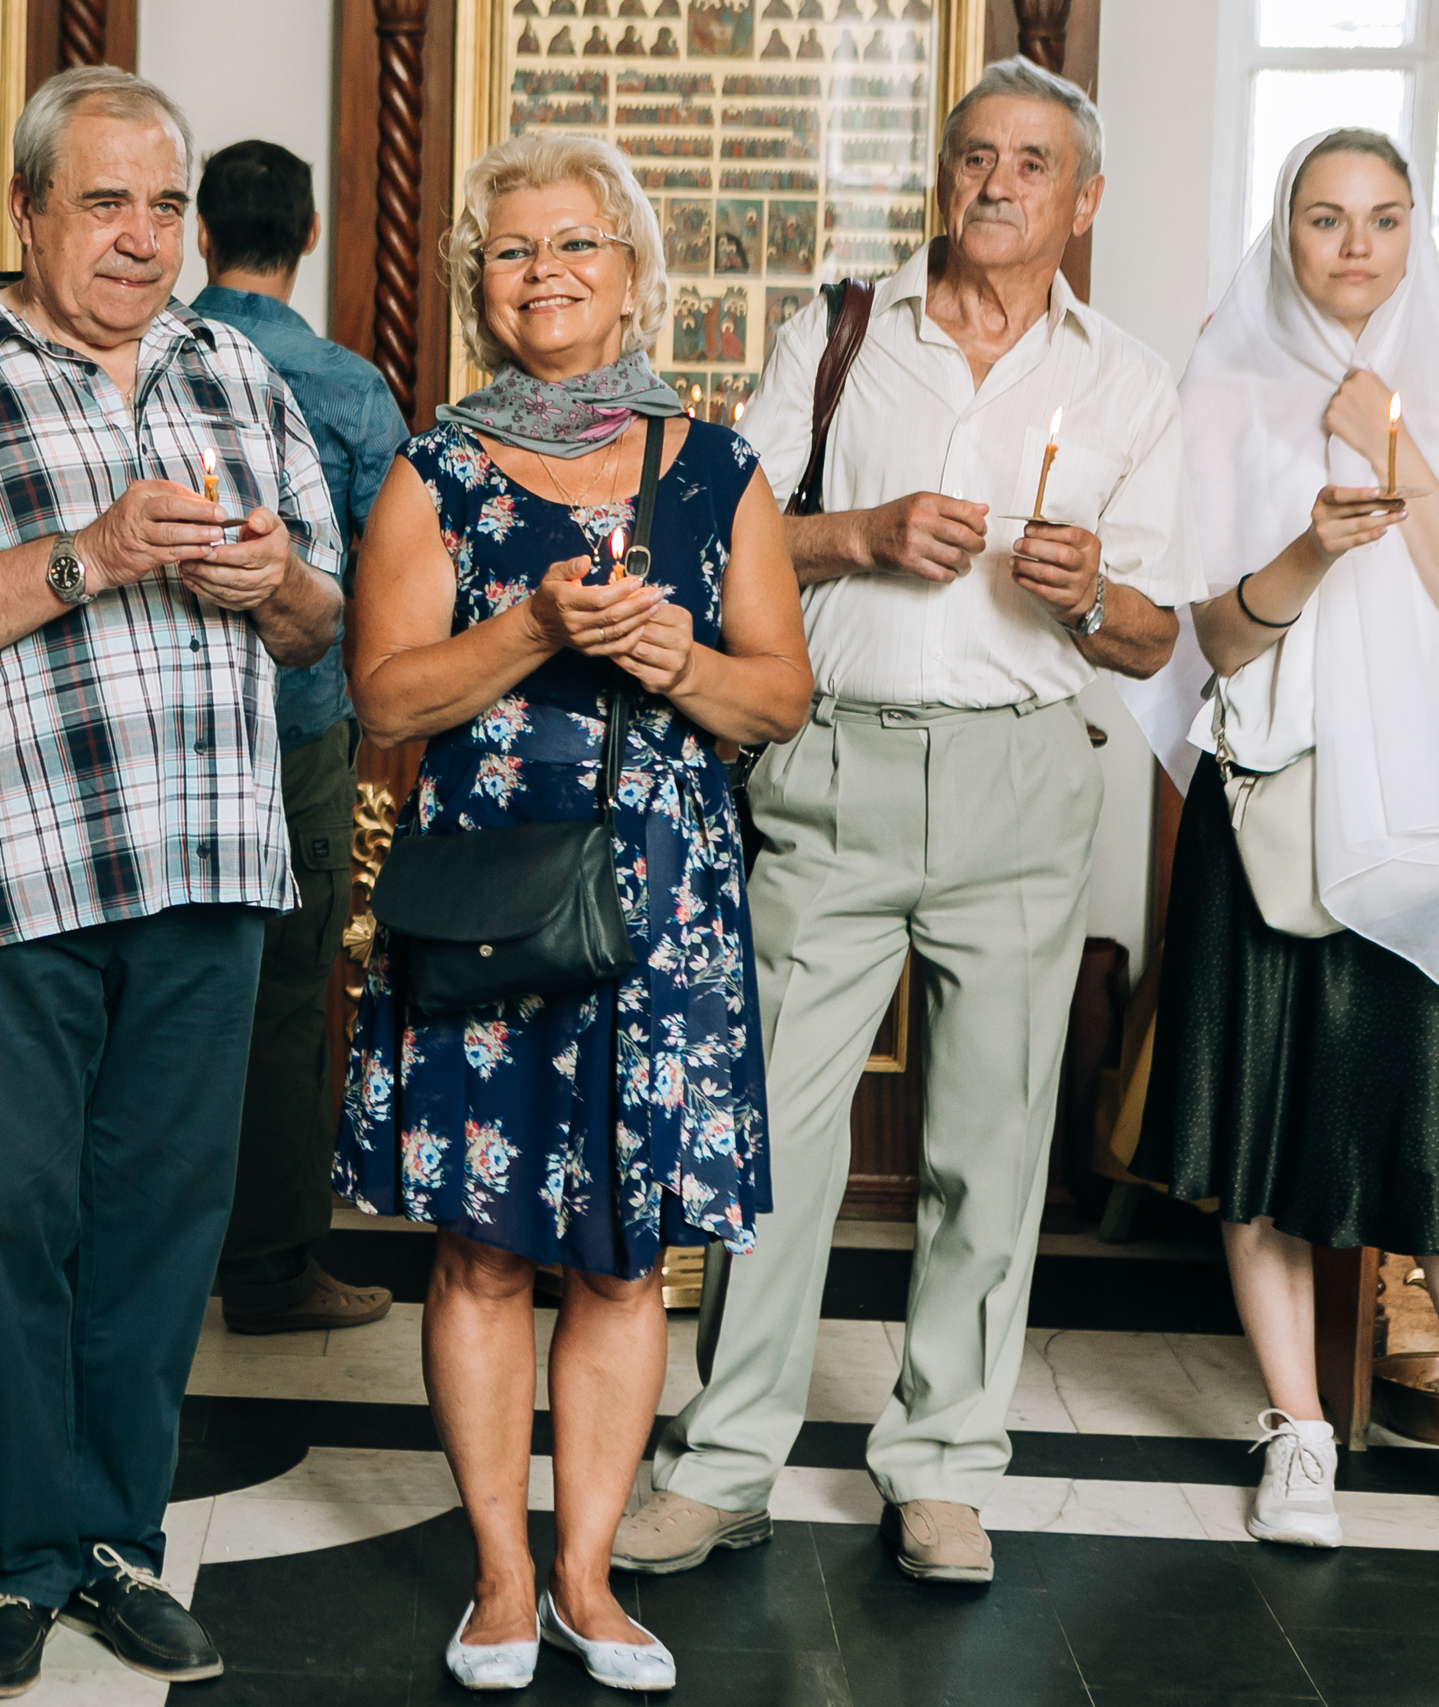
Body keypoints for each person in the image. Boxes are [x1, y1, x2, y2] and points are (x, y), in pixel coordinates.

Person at [624, 57, 1200, 1586]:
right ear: (941, 180)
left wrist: (1092, 597)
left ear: (1083, 201)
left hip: (1023, 773)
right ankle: (725, 1460)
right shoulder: (841, 331)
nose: (997, 184)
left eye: (1031, 163)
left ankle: (943, 1466)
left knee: (988, 1148)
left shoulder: (1131, 378)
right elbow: (722, 540)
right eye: (974, 158)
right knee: (780, 1137)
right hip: (833, 768)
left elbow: (1156, 638)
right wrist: (861, 535)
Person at [0, 66, 343, 1700]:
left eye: (166, 204)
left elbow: (320, 613)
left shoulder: (232, 372)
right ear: (30, 212)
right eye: (104, 201)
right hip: (4, 881)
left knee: (157, 1234)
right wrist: (86, 556)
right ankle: (15, 1560)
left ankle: (114, 1542)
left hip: (202, 867)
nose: (140, 235)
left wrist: (275, 584)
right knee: (6, 1227)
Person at [341, 131, 809, 1693]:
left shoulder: (716, 468)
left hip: (663, 915)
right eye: (513, 249)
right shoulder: (436, 468)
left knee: (622, 1258)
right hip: (489, 906)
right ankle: (496, 1573)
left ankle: (591, 1576)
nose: (545, 273)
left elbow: (783, 696)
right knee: (480, 1251)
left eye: (575, 246)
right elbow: (384, 693)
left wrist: (679, 663)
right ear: (480, 283)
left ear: (630, 275)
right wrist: (538, 625)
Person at [1120, 128, 1439, 1552]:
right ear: (1284, 231)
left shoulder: (1416, 382)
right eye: (1326, 218)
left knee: (1402, 1111)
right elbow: (1211, 636)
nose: (1356, 246)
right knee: (1257, 1125)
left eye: (1384, 218)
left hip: (1420, 813)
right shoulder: (1225, 384)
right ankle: (1298, 1424)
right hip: (1277, 808)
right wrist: (1310, 544)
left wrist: (1394, 442)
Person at [189, 139, 408, 1337]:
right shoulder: (344, 386)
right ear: (311, 234)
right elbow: (388, 573)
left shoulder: (152, 362)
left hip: (164, 740)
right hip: (295, 732)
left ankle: (157, 1268)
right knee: (282, 1006)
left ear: (200, 231)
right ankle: (272, 1271)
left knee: (163, 995)